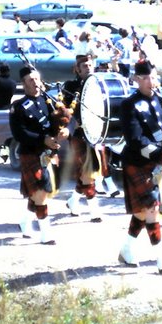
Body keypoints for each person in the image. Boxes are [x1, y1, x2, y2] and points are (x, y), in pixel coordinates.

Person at [116, 59, 162, 274]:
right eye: (145, 78)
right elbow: (135, 140)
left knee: (143, 211)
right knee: (152, 209)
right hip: (138, 162)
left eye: (153, 77)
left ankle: (127, 249)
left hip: (158, 164)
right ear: (136, 79)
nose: (151, 81)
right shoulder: (129, 105)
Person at [9, 66, 68, 244]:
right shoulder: (18, 107)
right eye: (31, 80)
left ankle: (24, 222)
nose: (35, 83)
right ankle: (45, 234)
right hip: (30, 154)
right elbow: (19, 133)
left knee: (37, 193)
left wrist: (64, 129)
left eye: (37, 79)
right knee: (41, 193)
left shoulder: (48, 101)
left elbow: (60, 121)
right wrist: (43, 139)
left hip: (47, 154)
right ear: (23, 84)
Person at [59, 54, 105, 221]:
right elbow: (64, 111)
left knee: (88, 171)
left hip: (95, 134)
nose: (88, 68)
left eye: (90, 65)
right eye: (84, 66)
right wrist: (72, 122)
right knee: (88, 172)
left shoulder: (98, 84)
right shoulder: (70, 86)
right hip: (78, 135)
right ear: (77, 69)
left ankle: (73, 201)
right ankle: (94, 211)